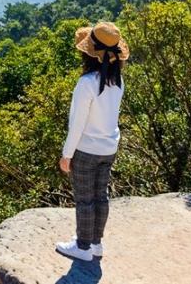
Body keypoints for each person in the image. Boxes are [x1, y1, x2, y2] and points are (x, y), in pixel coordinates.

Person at [56, 22, 129, 261]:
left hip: (86, 150)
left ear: (89, 54)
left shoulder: (87, 83)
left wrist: (67, 155)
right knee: (101, 196)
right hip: (109, 148)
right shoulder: (117, 81)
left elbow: (77, 123)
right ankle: (96, 244)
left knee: (84, 200)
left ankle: (83, 247)